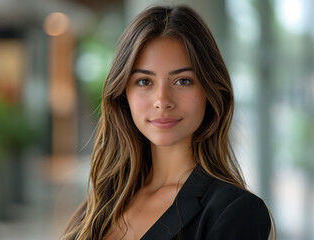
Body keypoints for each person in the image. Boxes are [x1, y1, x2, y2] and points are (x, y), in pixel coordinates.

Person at [61, 5, 275, 240]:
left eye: (183, 81)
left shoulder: (235, 212)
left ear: (210, 91)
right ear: (124, 95)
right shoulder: (101, 204)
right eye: (144, 81)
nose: (162, 101)